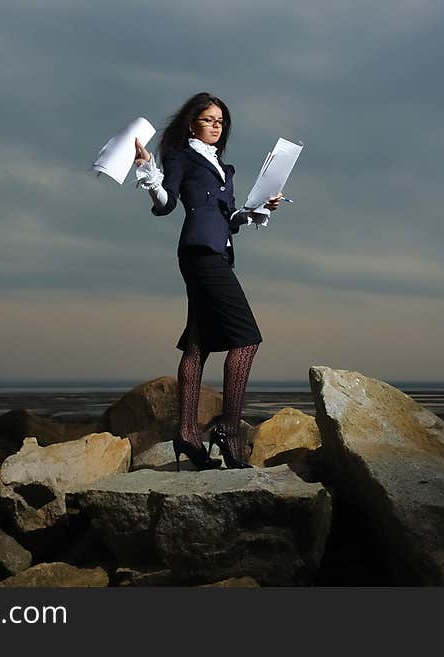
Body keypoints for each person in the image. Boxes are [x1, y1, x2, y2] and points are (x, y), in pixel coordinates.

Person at [133, 92, 283, 470]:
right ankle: (228, 431)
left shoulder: (224, 169)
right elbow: (165, 204)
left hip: (218, 254)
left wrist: (259, 210)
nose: (217, 126)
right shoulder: (181, 157)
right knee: (246, 339)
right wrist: (150, 172)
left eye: (221, 121)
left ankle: (186, 432)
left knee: (198, 344)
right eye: (209, 119)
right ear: (192, 124)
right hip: (198, 255)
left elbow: (228, 218)